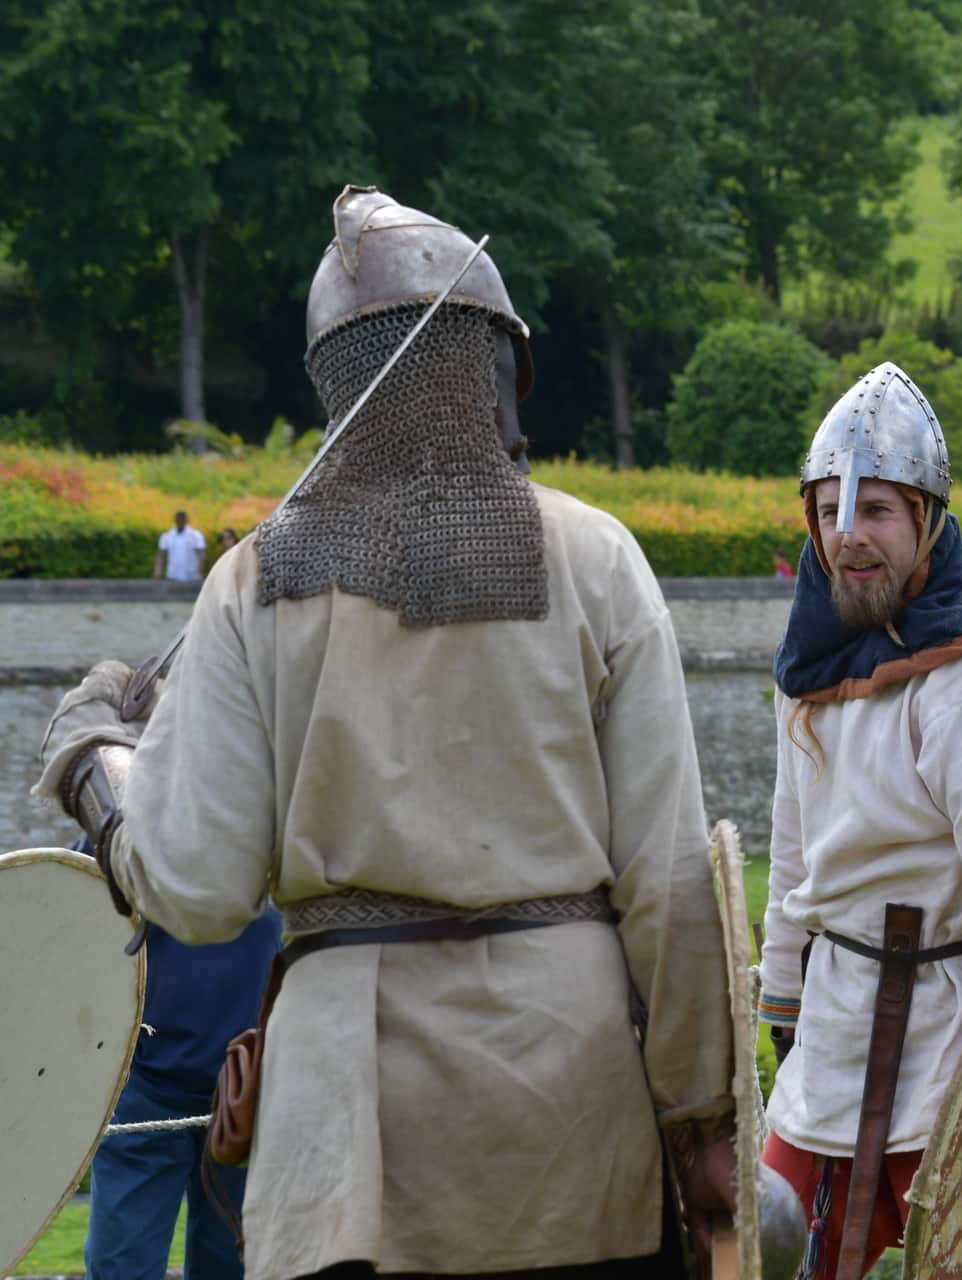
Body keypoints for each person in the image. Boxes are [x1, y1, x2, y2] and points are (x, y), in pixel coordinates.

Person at [37, 186, 736, 1280]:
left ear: (334, 383)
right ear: (492, 367)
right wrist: (701, 1112)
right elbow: (672, 886)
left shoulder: (255, 584)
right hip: (565, 1111)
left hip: (345, 1128)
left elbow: (198, 883)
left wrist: (97, 768)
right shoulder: (596, 560)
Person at [755, 362, 962, 1278]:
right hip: (830, 1042)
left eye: (877, 511)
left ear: (927, 519)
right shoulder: (811, 666)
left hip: (955, 1049)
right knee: (770, 1250)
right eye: (830, 512)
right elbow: (792, 854)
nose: (848, 537)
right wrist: (782, 999)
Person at [74, 832, 280, 1280]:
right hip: (142, 1091)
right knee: (121, 1267)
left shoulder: (280, 826)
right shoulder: (125, 822)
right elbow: (63, 917)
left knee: (229, 1267)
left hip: (248, 1092)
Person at [154, 511, 205, 582]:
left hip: (191, 577)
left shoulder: (196, 535)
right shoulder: (167, 536)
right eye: (178, 519)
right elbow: (161, 556)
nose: (180, 521)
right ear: (175, 520)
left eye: (182, 519)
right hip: (172, 576)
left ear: (186, 520)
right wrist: (157, 573)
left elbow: (201, 556)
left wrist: (199, 572)